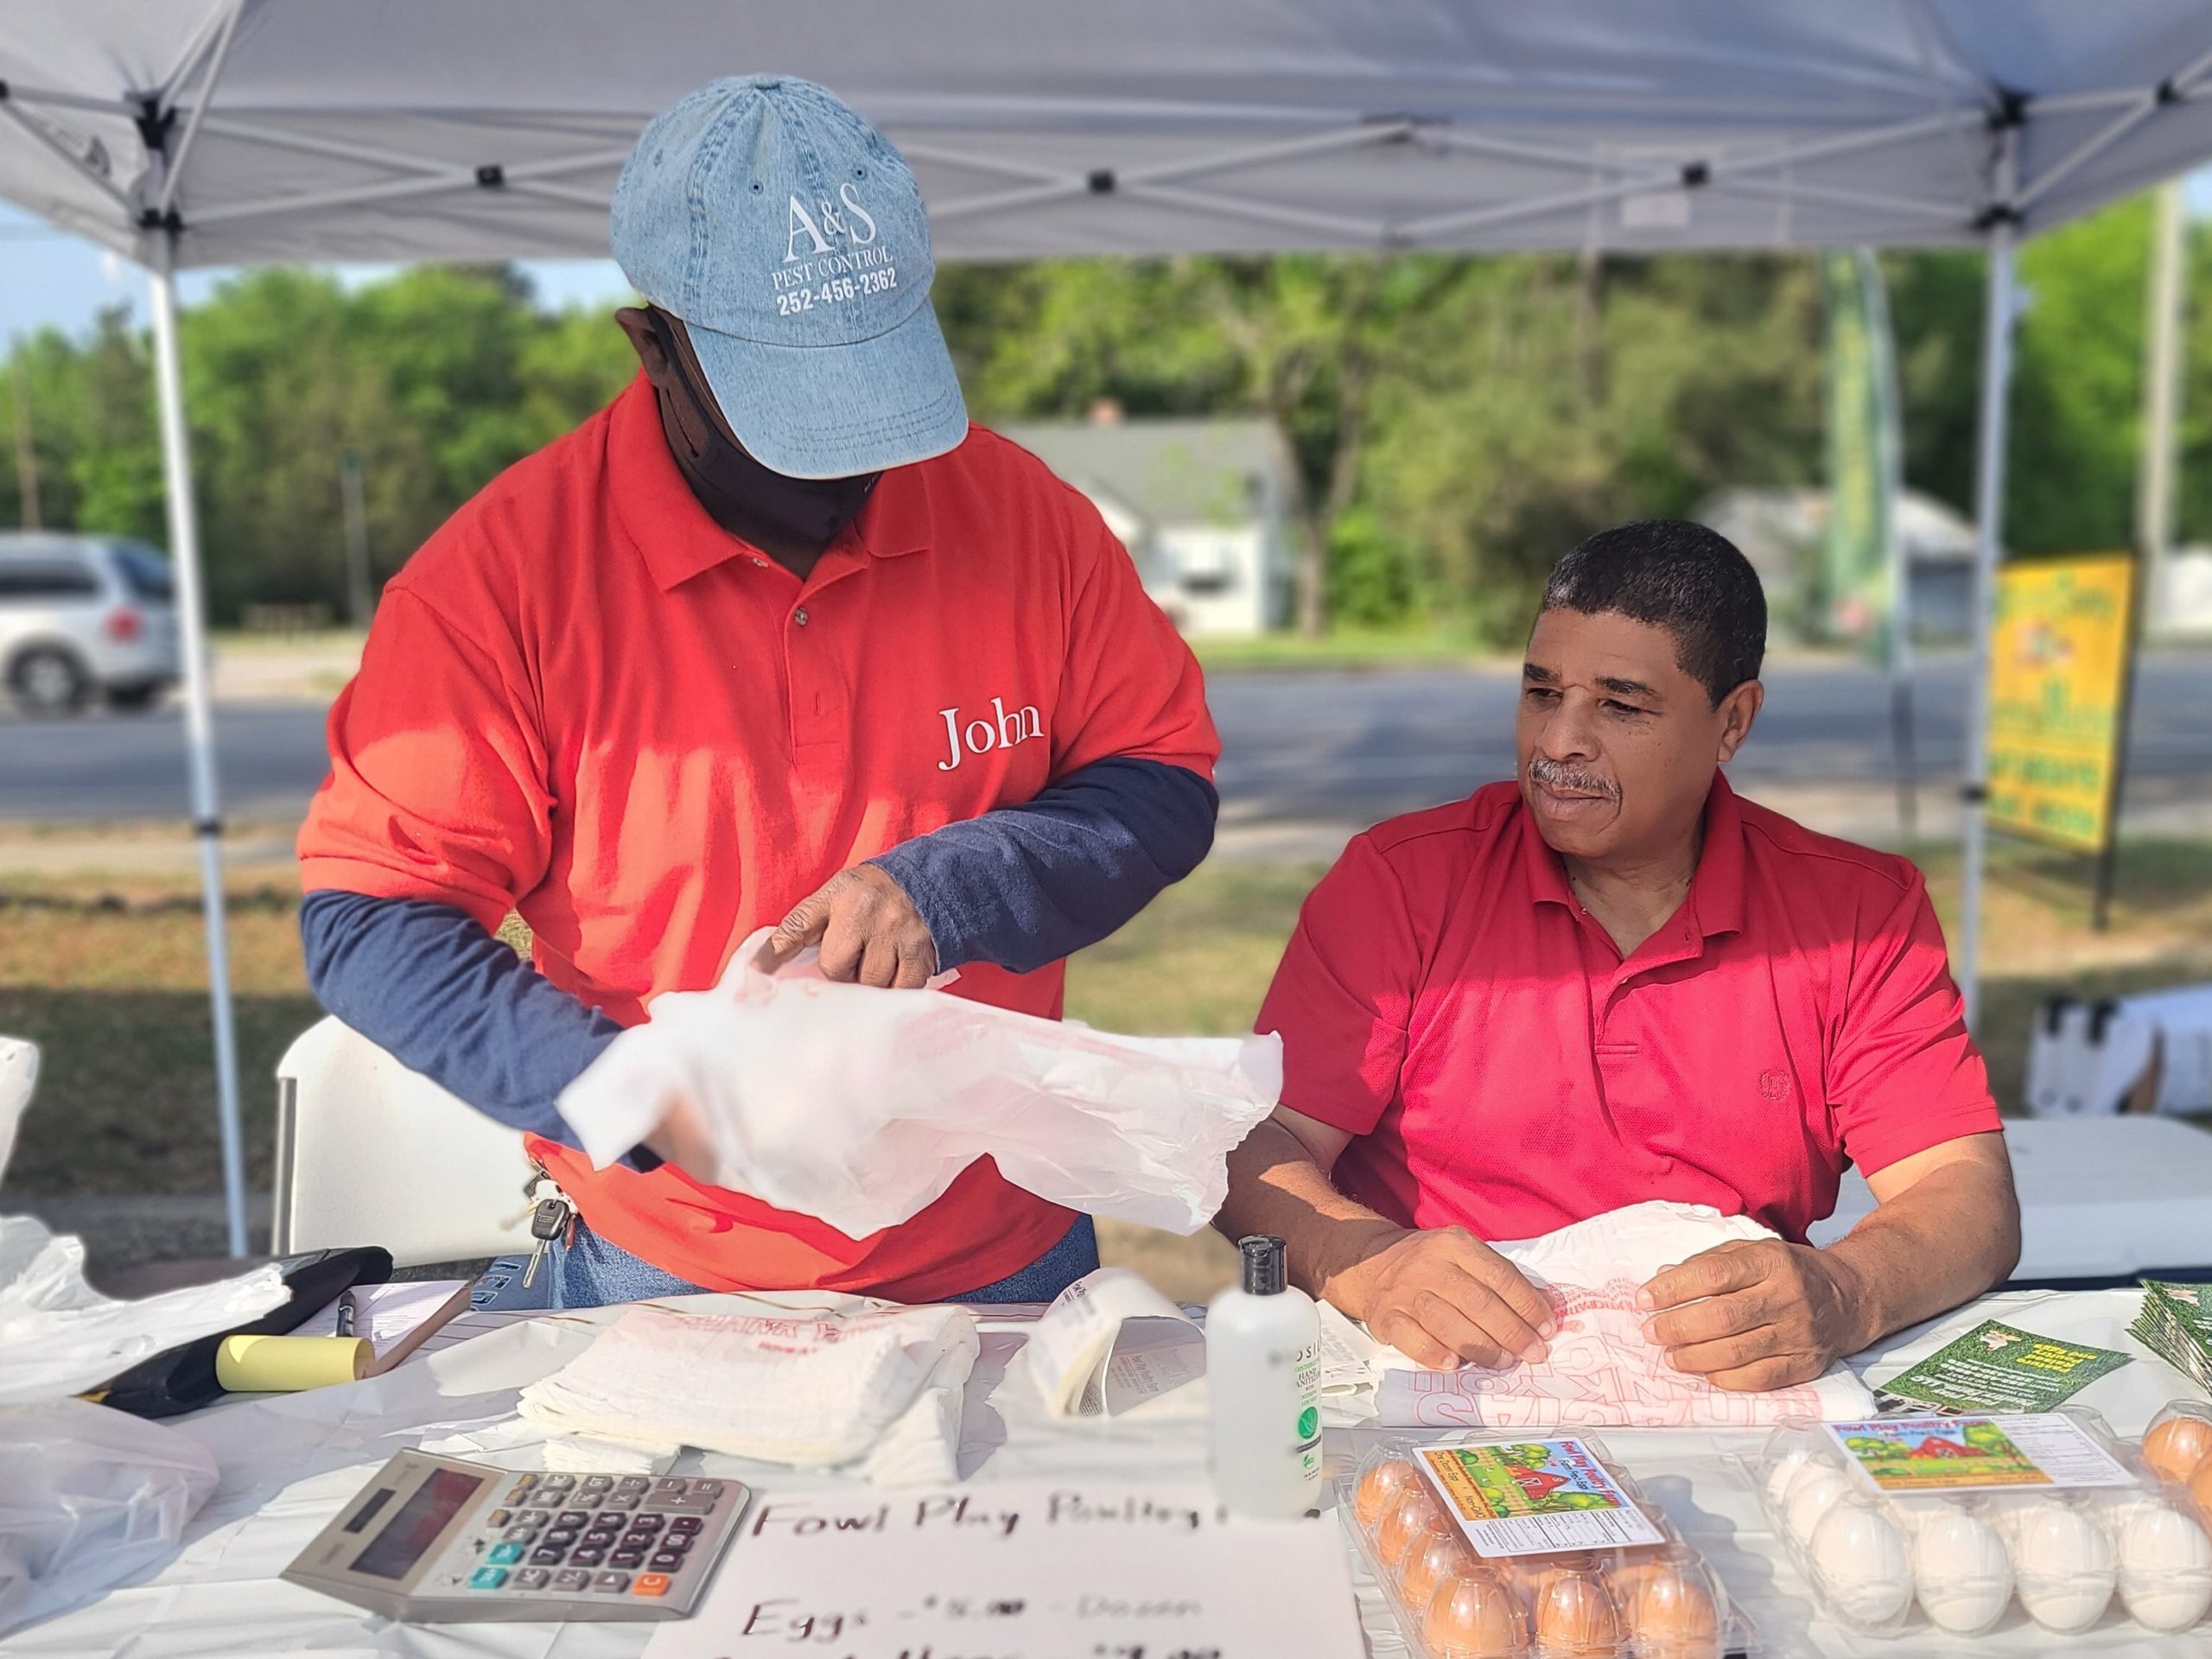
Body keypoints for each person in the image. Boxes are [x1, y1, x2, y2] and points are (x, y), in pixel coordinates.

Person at [296, 76, 1219, 1309]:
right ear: (655, 346)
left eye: (874, 396)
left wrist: (957, 883)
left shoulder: (1024, 516)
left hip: (1009, 1252)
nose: (856, 467)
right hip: (661, 1265)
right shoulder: (503, 581)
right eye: (798, 418)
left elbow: (1161, 784)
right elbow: (372, 918)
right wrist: (641, 1094)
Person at [1217, 521, 2019, 1390]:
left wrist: (1845, 1291)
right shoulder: (1402, 883)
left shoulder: (1854, 914)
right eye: (1539, 694)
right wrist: (1367, 1262)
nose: (1558, 743)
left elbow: (1966, 1195)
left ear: (1732, 722)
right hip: (1444, 1385)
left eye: (1619, 705)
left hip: (1732, 1395)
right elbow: (1255, 1141)